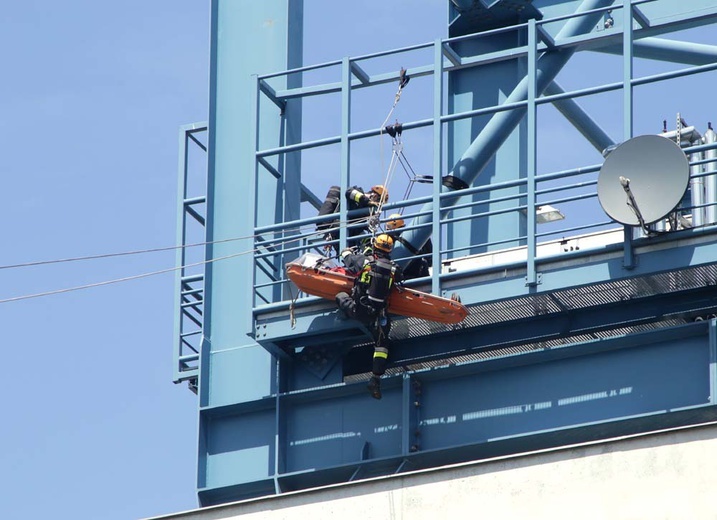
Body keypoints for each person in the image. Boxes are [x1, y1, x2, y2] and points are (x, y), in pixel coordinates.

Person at [335, 233, 402, 400]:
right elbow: (400, 277)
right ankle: (376, 378)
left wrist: (346, 251)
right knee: (382, 345)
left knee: (340, 296)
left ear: (375, 245)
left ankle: (342, 316)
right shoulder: (395, 268)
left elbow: (346, 257)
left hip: (359, 310)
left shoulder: (364, 262)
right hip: (378, 316)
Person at [317, 184, 389, 253]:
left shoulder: (368, 211)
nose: (377, 203)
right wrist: (366, 201)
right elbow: (348, 192)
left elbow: (362, 225)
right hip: (339, 226)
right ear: (375, 195)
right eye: (378, 200)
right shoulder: (358, 192)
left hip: (348, 233)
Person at [385, 213, 432, 279]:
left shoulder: (390, 238)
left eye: (388, 226)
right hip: (418, 272)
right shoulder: (416, 235)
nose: (387, 229)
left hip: (404, 274)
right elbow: (430, 257)